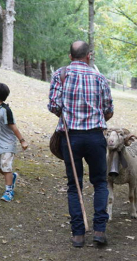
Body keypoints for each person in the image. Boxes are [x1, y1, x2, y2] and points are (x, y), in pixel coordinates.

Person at [48, 40, 114, 248]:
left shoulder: (61, 74)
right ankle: (99, 231)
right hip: (95, 137)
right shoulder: (99, 77)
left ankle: (78, 234)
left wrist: (68, 114)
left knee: (73, 185)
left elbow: (53, 105)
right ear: (89, 56)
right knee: (100, 182)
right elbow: (109, 109)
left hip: (71, 137)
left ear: (70, 56)